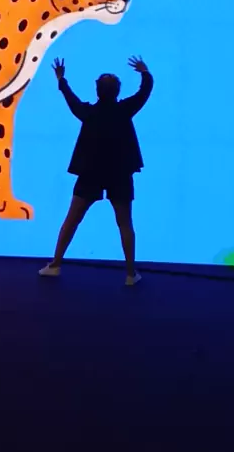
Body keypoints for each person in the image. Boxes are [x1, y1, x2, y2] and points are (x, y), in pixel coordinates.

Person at [39, 55, 154, 286]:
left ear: (97, 90)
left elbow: (71, 100)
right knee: (125, 223)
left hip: (90, 173)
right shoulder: (125, 110)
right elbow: (144, 92)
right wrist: (145, 72)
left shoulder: (88, 113)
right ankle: (130, 274)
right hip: (120, 174)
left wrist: (61, 80)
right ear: (117, 91)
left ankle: (56, 264)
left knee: (72, 220)